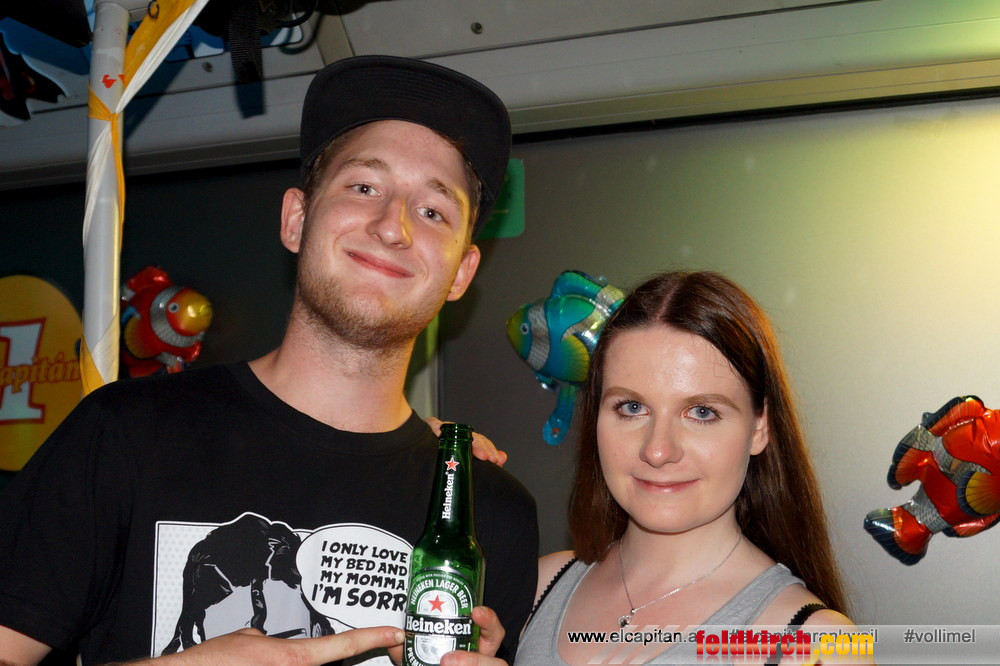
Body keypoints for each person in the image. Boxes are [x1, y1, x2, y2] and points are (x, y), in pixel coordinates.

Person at [0, 55, 537, 666]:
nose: (394, 228)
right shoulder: (124, 433)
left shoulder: (487, 512)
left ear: (462, 272)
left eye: (433, 211)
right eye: (364, 187)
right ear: (296, 219)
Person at [515, 271, 853, 664]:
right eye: (632, 408)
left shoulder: (819, 645)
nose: (658, 451)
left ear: (760, 427)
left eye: (702, 412)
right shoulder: (536, 588)